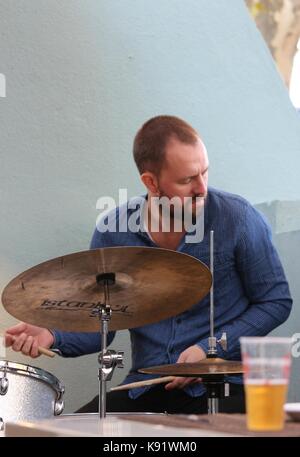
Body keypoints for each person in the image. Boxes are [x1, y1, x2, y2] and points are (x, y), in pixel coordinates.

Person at [5, 115, 292, 415]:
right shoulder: (114, 231)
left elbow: (275, 301)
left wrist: (212, 349)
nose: (202, 188)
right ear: (151, 182)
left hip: (223, 385)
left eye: (204, 173)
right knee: (61, 435)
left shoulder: (239, 219)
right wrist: (52, 333)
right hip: (146, 387)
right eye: (187, 180)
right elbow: (103, 323)